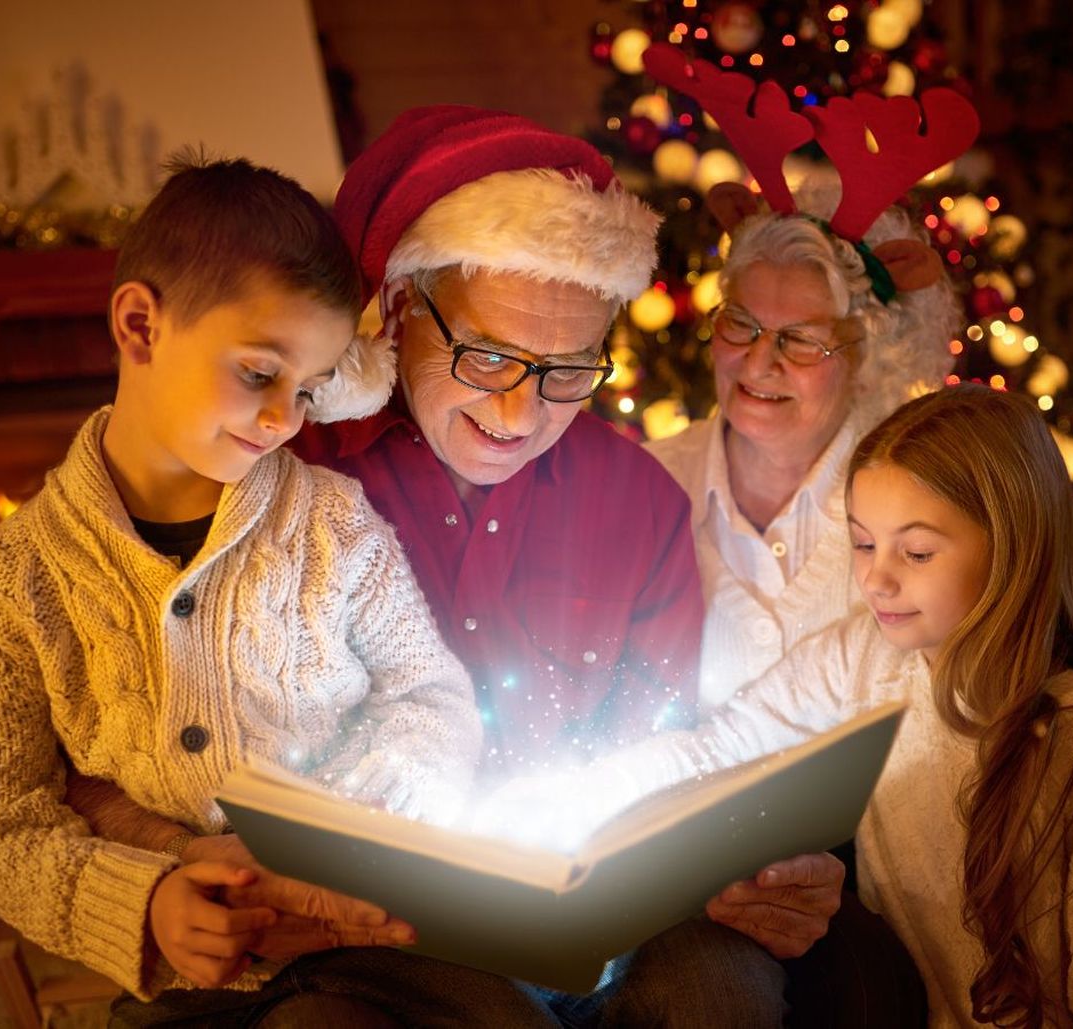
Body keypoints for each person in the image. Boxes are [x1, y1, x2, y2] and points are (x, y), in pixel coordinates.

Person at [70, 107, 850, 1026]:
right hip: (339, 936)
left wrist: (751, 860)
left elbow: (675, 750)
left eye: (568, 370)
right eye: (489, 357)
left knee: (722, 993)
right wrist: (184, 861)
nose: (521, 411)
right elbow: (92, 753)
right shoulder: (272, 466)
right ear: (399, 311)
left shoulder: (634, 497)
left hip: (593, 918)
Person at [645, 178, 1073, 1026]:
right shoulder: (644, 483)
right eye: (741, 323)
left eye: (802, 339)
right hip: (714, 835)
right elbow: (696, 736)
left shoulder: (907, 476)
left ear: (866, 350)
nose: (761, 360)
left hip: (872, 848)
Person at [483, 384, 1073, 1027]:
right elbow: (720, 746)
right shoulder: (863, 657)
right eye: (863, 544)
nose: (876, 580)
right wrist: (550, 802)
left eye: (916, 552)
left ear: (1012, 545)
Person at [0, 155, 482, 1008]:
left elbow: (434, 698)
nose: (282, 419)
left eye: (307, 391)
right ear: (141, 326)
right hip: (192, 968)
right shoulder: (14, 584)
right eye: (261, 373)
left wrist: (335, 840)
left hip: (372, 930)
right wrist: (146, 898)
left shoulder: (335, 526)